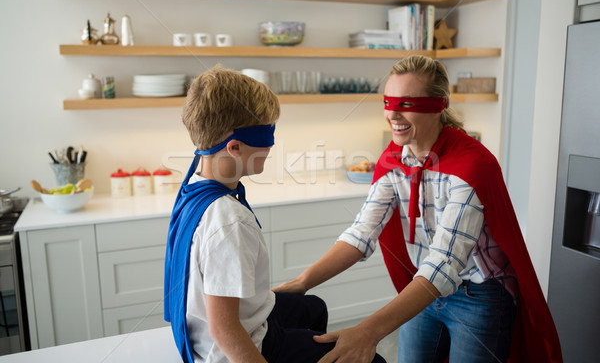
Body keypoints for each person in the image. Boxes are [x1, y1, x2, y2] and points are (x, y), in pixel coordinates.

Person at [273, 55, 563, 363]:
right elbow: (362, 233)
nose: (393, 114)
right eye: (389, 101)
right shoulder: (393, 160)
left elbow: (443, 263)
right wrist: (301, 283)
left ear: (440, 104)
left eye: (407, 103)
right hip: (423, 287)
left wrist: (368, 332)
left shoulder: (472, 166)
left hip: (480, 295)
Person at [163, 66, 386, 363]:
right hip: (237, 347)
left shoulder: (194, 186)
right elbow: (224, 328)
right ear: (235, 147)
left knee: (313, 308)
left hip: (213, 324)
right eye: (268, 134)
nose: (272, 144)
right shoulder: (229, 220)